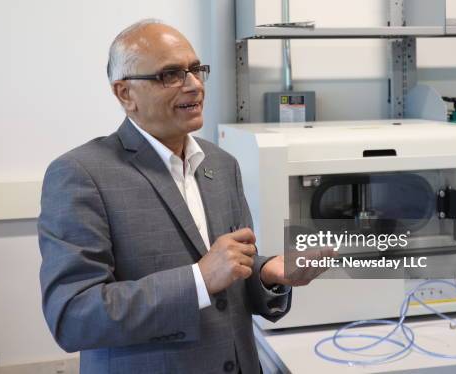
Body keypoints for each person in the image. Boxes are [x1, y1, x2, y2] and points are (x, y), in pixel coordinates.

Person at [38, 19, 309, 374]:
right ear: (124, 93)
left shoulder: (221, 164)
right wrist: (198, 279)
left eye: (196, 70)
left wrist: (267, 274)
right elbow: (73, 316)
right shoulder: (80, 174)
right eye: (170, 74)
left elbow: (230, 275)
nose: (194, 85)